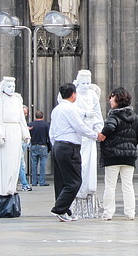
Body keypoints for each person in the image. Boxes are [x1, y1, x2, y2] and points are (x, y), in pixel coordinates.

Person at [49, 83, 106, 222]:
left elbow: (52, 130)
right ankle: (59, 209)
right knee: (74, 181)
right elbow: (80, 127)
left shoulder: (56, 110)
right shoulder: (70, 109)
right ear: (74, 94)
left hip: (58, 145)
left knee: (61, 181)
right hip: (69, 147)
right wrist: (95, 135)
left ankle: (64, 210)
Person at [99, 87, 138, 221]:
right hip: (129, 156)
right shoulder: (135, 117)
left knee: (110, 185)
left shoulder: (114, 115)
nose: (110, 100)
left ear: (118, 99)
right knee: (128, 185)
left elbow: (109, 128)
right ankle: (130, 212)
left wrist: (103, 136)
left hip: (113, 155)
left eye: (112, 97)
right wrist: (132, 143)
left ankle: (108, 213)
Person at [0, 77, 31, 196]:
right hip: (5, 131)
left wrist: (25, 133)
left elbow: (21, 119)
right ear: (3, 88)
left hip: (16, 130)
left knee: (15, 160)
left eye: (13, 86)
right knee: (5, 160)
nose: (11, 89)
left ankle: (11, 186)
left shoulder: (17, 101)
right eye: (9, 86)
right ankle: (2, 187)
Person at [70, 70, 104, 217]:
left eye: (88, 83)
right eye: (83, 83)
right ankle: (77, 193)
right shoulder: (74, 95)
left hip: (89, 135)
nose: (85, 86)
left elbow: (98, 112)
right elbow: (70, 112)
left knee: (89, 165)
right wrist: (84, 114)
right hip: (78, 134)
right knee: (80, 164)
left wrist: (98, 129)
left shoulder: (92, 95)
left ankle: (88, 190)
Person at [29, 110, 50, 187]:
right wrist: (50, 146)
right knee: (42, 164)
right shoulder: (45, 125)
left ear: (35, 116)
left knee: (34, 164)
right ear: (43, 116)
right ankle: (42, 181)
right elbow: (48, 136)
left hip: (34, 145)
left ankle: (34, 181)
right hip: (43, 146)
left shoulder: (31, 124)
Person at [18, 105, 32, 191]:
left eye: (26, 114)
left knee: (21, 165)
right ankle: (24, 184)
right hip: (18, 144)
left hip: (22, 143)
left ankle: (24, 183)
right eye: (24, 113)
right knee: (21, 165)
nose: (25, 115)